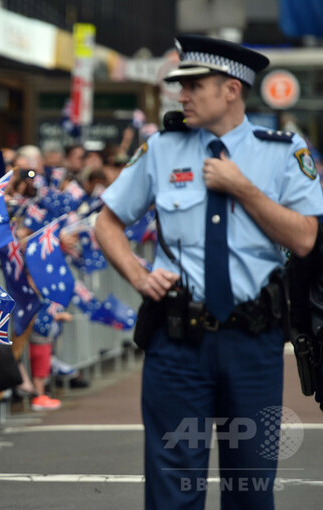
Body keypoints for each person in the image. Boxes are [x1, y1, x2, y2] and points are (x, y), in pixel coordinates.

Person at [94, 34, 323, 510]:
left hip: (252, 343)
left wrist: (245, 189)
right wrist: (138, 275)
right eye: (181, 86)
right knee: (172, 489)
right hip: (177, 344)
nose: (182, 95)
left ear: (231, 89)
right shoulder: (162, 148)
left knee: (251, 488)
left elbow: (304, 238)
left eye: (194, 85)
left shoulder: (281, 151)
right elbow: (107, 222)